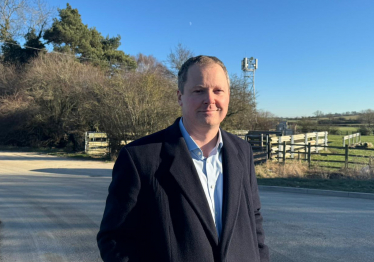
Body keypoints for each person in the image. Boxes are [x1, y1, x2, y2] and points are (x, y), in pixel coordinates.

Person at [97, 55, 269, 262]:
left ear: (228, 96)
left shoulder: (242, 151)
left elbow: (254, 219)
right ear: (180, 97)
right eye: (199, 91)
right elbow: (115, 239)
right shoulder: (139, 158)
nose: (210, 99)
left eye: (218, 91)